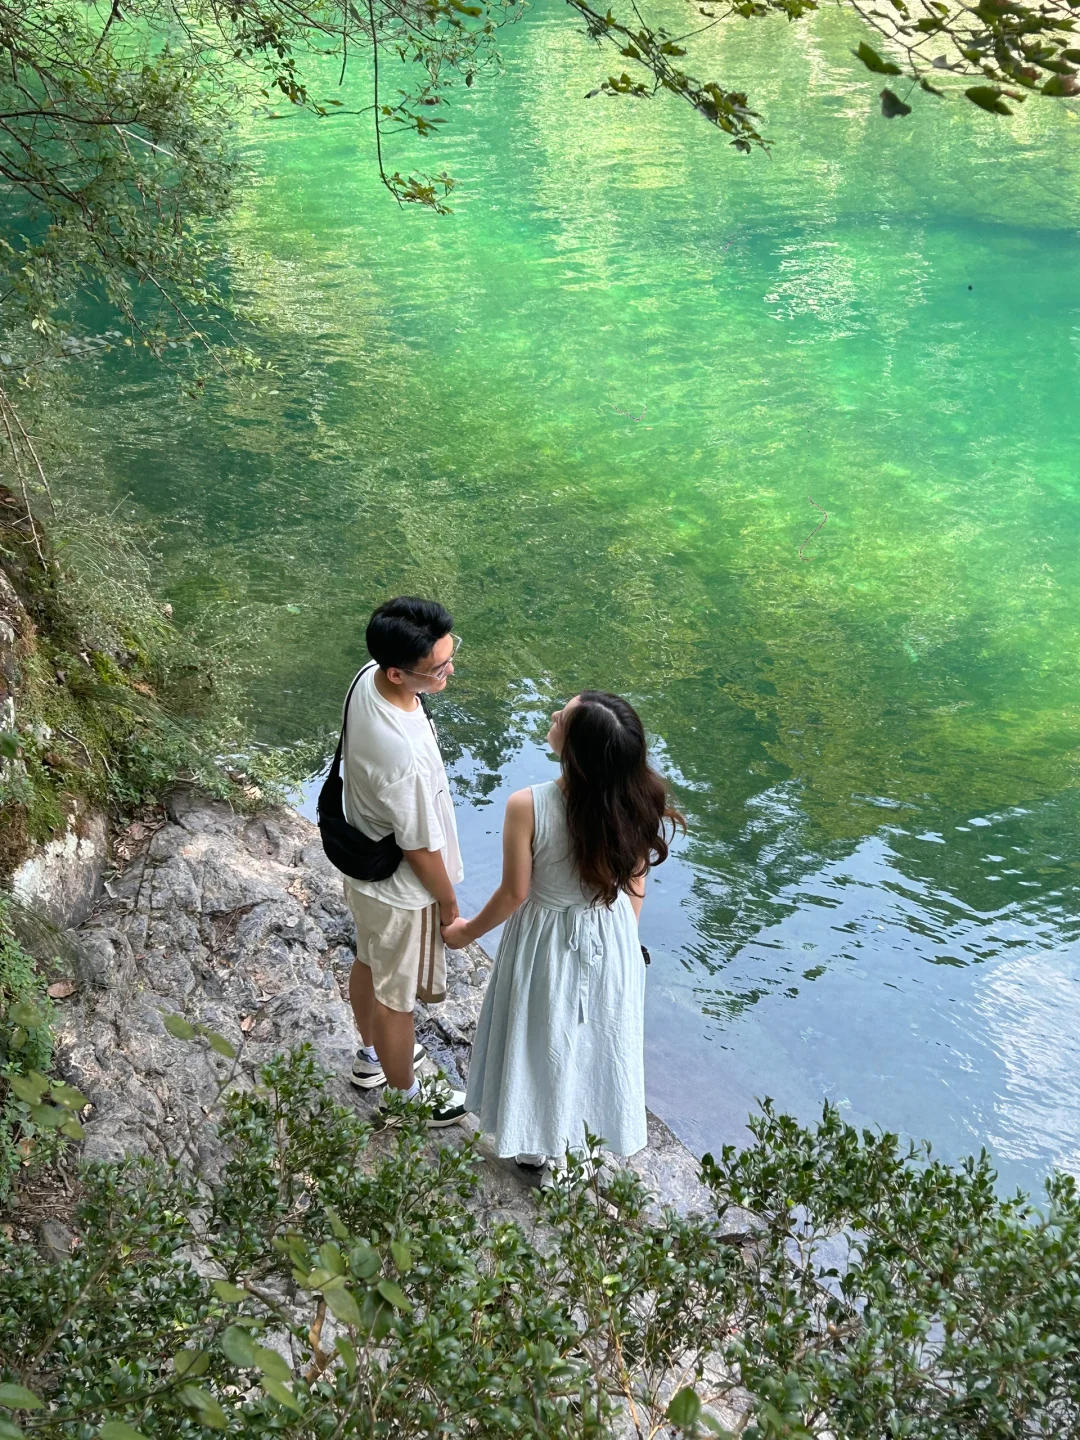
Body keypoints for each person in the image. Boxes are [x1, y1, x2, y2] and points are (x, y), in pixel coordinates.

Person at [442, 691, 684, 1169]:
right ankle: (576, 1152)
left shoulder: (528, 805)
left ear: (574, 750)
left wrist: (464, 932)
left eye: (563, 718)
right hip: (611, 928)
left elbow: (514, 893)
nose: (553, 716)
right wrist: (622, 947)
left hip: (545, 937)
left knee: (540, 1034)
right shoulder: (638, 799)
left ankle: (533, 1144)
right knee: (594, 1038)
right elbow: (636, 880)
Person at [341, 596, 468, 1127]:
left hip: (361, 861)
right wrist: (449, 908)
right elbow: (420, 848)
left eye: (450, 653)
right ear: (399, 671)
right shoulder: (403, 758)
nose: (450, 669)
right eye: (438, 667)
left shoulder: (367, 676)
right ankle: (403, 1094)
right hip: (398, 889)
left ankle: (371, 1056)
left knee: (369, 961)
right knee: (397, 1000)